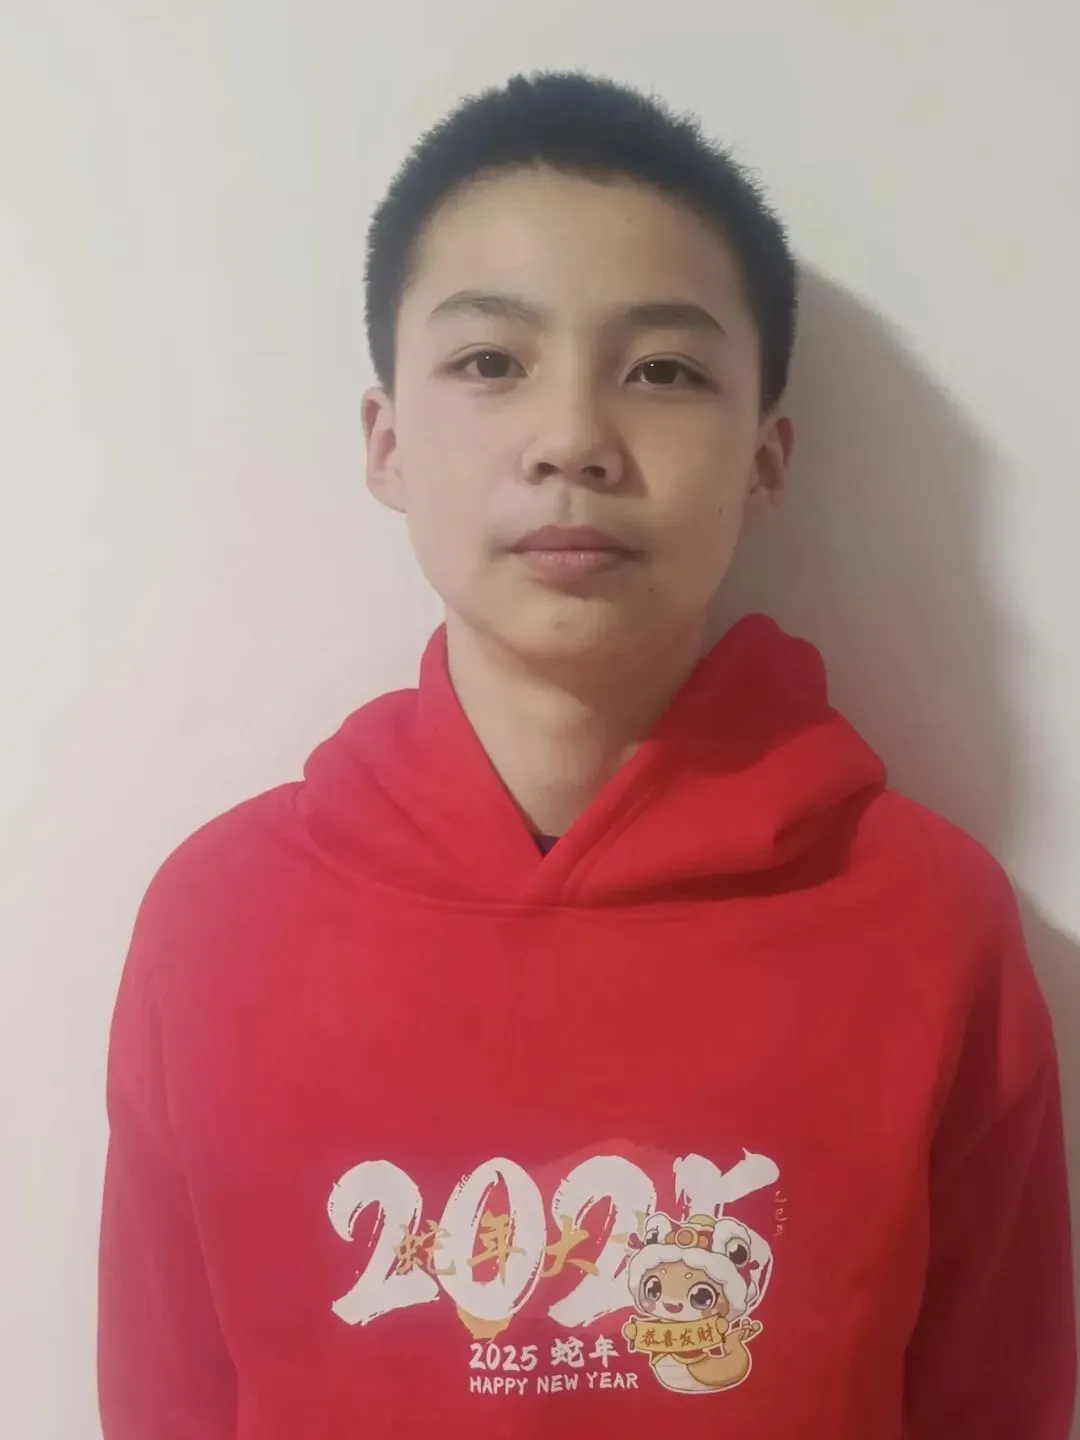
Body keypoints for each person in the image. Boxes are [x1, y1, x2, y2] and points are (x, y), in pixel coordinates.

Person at [98, 72, 1075, 1438]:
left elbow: (998, 1403)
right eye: (491, 363)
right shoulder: (218, 921)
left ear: (766, 459)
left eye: (663, 370)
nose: (572, 442)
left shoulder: (931, 923)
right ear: (387, 441)